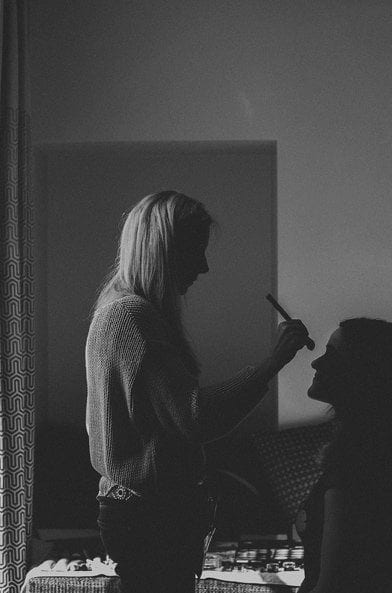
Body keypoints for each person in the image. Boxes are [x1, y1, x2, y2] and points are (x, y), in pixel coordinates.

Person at [85, 190, 311, 593]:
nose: (205, 267)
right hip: (150, 516)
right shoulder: (132, 317)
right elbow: (193, 417)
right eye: (196, 251)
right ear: (164, 251)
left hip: (144, 512)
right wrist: (270, 364)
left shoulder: (123, 309)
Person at [296, 318, 392, 593]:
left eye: (333, 354)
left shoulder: (356, 460)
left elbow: (332, 586)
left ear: (364, 373)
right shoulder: (375, 447)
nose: (316, 363)